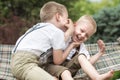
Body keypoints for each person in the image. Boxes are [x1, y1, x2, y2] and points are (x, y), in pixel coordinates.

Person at [10, 1, 74, 80]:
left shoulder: (38, 27)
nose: (67, 22)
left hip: (15, 62)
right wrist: (70, 30)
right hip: (26, 64)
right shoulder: (56, 32)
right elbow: (58, 60)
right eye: (66, 19)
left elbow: (58, 42)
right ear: (58, 16)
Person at [44, 15, 114, 80]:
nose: (83, 35)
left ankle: (96, 77)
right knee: (62, 74)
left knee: (81, 56)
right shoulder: (65, 35)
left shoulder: (81, 47)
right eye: (82, 30)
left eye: (87, 35)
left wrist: (100, 53)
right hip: (51, 66)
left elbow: (88, 62)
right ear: (74, 25)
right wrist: (72, 44)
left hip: (67, 69)